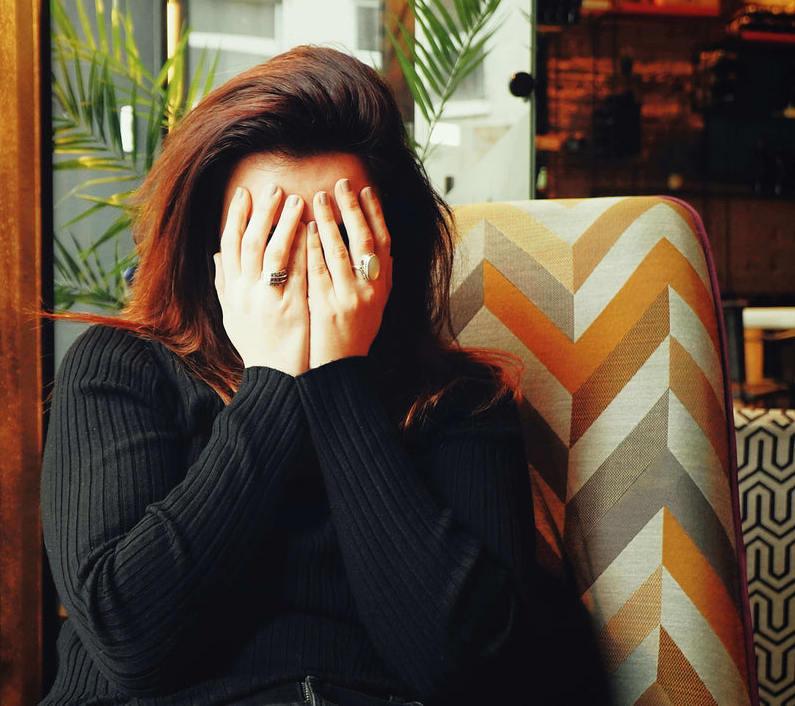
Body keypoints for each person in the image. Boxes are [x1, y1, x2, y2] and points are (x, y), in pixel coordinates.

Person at [40, 46, 608, 706]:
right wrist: (275, 376)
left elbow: (466, 672)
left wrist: (336, 376)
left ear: (388, 244)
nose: (304, 262)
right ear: (212, 249)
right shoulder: (121, 371)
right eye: (269, 234)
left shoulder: (460, 403)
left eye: (339, 234)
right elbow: (131, 645)